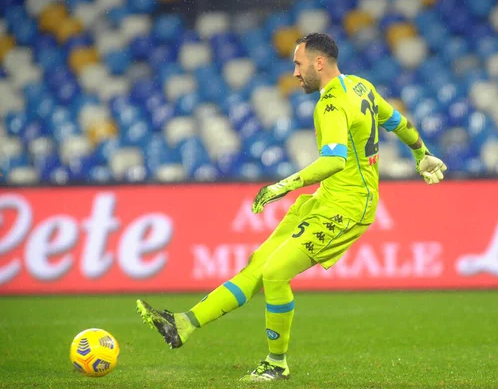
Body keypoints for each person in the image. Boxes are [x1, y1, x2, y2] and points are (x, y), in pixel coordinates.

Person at [136, 33, 447, 382]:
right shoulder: (360, 87)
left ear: (318, 62)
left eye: (298, 64)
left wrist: (284, 184)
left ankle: (276, 364)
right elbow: (397, 122)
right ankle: (184, 324)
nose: (295, 72)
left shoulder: (330, 104)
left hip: (349, 206)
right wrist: (421, 152)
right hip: (325, 200)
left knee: (276, 272)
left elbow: (333, 161)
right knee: (258, 266)